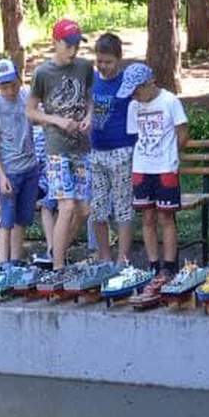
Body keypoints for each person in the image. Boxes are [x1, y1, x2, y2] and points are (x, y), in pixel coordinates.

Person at [29, 18, 94, 266]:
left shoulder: (85, 67)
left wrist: (89, 117)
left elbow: (89, 99)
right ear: (55, 42)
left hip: (81, 147)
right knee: (66, 207)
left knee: (83, 210)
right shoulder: (43, 73)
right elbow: (30, 111)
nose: (73, 50)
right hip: (57, 148)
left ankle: (56, 252)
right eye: (68, 45)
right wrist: (56, 120)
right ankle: (58, 267)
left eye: (77, 45)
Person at [126, 64, 188, 277]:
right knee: (147, 217)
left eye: (136, 91)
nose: (134, 96)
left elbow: (183, 132)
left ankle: (169, 265)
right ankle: (153, 264)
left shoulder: (170, 101)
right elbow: (136, 135)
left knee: (166, 218)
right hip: (142, 167)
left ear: (149, 84)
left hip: (165, 168)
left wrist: (171, 155)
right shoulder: (134, 106)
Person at [86, 33, 140, 262]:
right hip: (96, 150)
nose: (103, 66)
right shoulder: (92, 81)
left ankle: (122, 260)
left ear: (119, 59)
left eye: (108, 62)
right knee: (98, 208)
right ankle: (105, 257)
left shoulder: (127, 82)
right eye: (99, 61)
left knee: (122, 206)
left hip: (122, 150)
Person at [0, 56, 42, 263]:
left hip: (30, 167)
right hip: (9, 171)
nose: (10, 91)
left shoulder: (27, 97)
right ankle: (3, 262)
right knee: (6, 220)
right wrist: (1, 175)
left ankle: (15, 260)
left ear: (19, 79)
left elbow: (37, 119)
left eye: (13, 85)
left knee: (22, 219)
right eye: (4, 87)